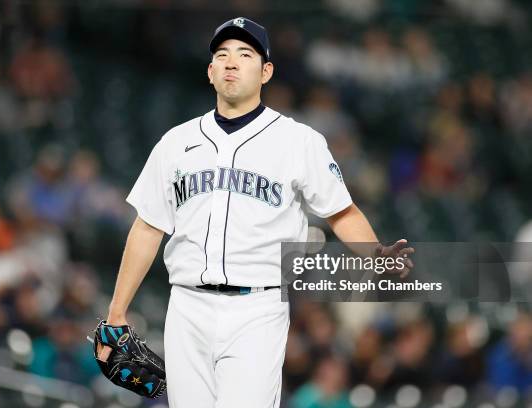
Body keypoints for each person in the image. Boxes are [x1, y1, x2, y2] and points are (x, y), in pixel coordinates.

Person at [97, 17, 413, 407]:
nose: (231, 62)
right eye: (222, 55)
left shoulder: (299, 141)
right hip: (186, 306)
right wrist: (117, 312)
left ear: (266, 72)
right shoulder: (174, 143)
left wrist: (374, 254)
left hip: (257, 308)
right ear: (210, 72)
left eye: (245, 54)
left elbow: (341, 212)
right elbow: (148, 227)